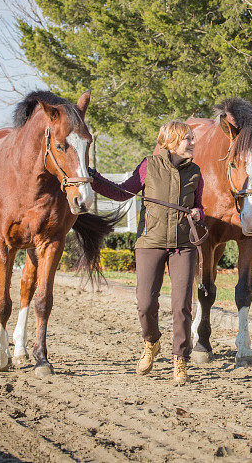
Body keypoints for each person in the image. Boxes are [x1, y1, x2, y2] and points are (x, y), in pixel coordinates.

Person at [90, 120, 203, 384]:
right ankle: (151, 342)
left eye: (192, 138)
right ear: (172, 142)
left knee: (181, 306)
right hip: (150, 241)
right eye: (188, 139)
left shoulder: (196, 172)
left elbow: (199, 206)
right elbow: (121, 192)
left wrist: (199, 214)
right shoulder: (149, 166)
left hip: (183, 245)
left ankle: (180, 359)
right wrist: (92, 177)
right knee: (145, 303)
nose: (193, 143)